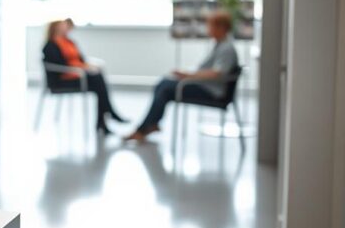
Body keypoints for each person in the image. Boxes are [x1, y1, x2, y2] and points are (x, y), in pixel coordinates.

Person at [125, 11, 239, 143]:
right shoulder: (220, 45)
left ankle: (144, 129)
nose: (208, 29)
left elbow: (217, 73)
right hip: (205, 85)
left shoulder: (227, 48)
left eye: (210, 26)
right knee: (164, 83)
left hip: (212, 92)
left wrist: (189, 76)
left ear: (221, 28)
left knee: (166, 88)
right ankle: (150, 125)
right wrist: (186, 75)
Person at [42, 18, 126, 134]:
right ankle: (107, 116)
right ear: (55, 27)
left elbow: (80, 59)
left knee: (97, 76)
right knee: (97, 81)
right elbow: (60, 66)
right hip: (62, 80)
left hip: (76, 75)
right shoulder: (50, 46)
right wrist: (80, 68)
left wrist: (88, 66)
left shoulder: (69, 42)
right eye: (62, 25)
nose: (65, 27)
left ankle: (103, 120)